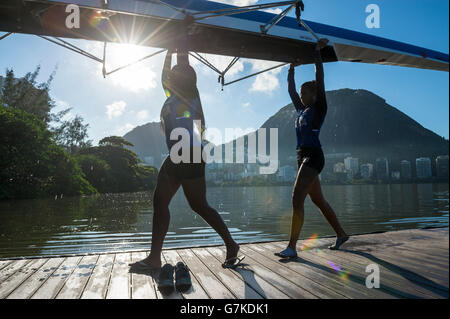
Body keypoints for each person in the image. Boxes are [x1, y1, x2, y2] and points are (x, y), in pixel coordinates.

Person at [130, 45, 242, 272]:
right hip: (175, 155)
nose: (172, 75)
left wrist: (180, 41)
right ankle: (154, 258)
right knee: (160, 202)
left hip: (190, 154)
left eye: (178, 72)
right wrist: (167, 48)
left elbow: (183, 64)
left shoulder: (191, 94)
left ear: (187, 78)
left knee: (199, 206)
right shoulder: (170, 95)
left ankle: (231, 244)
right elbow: (163, 75)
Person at [276, 38, 349, 258]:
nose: (301, 95)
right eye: (301, 93)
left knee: (296, 197)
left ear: (314, 95)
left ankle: (292, 248)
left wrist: (318, 53)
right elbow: (290, 91)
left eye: (304, 93)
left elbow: (320, 77)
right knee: (318, 200)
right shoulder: (300, 110)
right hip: (302, 157)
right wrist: (290, 70)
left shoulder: (319, 107)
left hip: (314, 157)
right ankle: (341, 234)